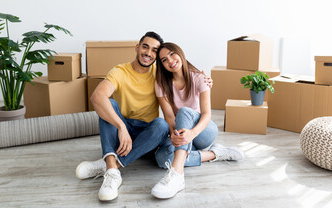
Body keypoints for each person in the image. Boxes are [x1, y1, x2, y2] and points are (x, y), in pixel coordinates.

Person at [75, 31, 170, 201]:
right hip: (123, 134)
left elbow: (183, 72)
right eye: (145, 47)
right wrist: (121, 126)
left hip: (146, 137)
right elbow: (97, 97)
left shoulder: (159, 72)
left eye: (154, 50)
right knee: (108, 104)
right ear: (137, 47)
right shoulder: (120, 71)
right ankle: (113, 174)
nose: (148, 53)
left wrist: (203, 79)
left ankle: (110, 165)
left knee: (161, 125)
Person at [151, 42, 244, 199]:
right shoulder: (161, 84)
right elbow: (168, 116)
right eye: (164, 60)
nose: (170, 60)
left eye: (172, 54)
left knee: (185, 112)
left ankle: (177, 174)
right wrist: (175, 134)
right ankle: (215, 154)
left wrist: (192, 133)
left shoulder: (200, 78)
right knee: (161, 158)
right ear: (162, 65)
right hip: (183, 135)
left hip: (203, 131)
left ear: (180, 53)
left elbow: (207, 114)